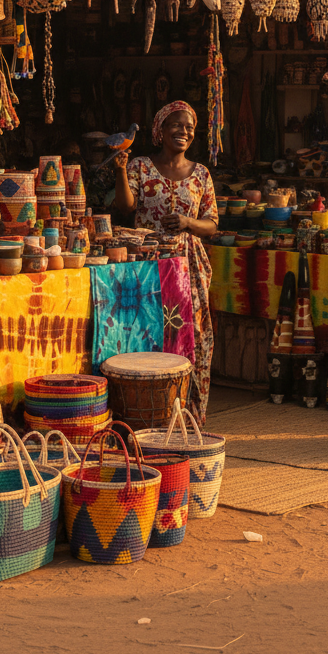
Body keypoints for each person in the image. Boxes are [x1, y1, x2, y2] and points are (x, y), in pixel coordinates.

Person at [114, 101, 219, 423]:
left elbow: (212, 224)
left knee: (192, 335)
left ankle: (189, 414)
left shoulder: (201, 173)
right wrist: (119, 168)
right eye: (176, 125)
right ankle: (150, 412)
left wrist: (188, 223)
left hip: (189, 266)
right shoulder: (140, 167)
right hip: (149, 264)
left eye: (189, 127)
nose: (183, 131)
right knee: (150, 334)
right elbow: (124, 209)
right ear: (159, 131)